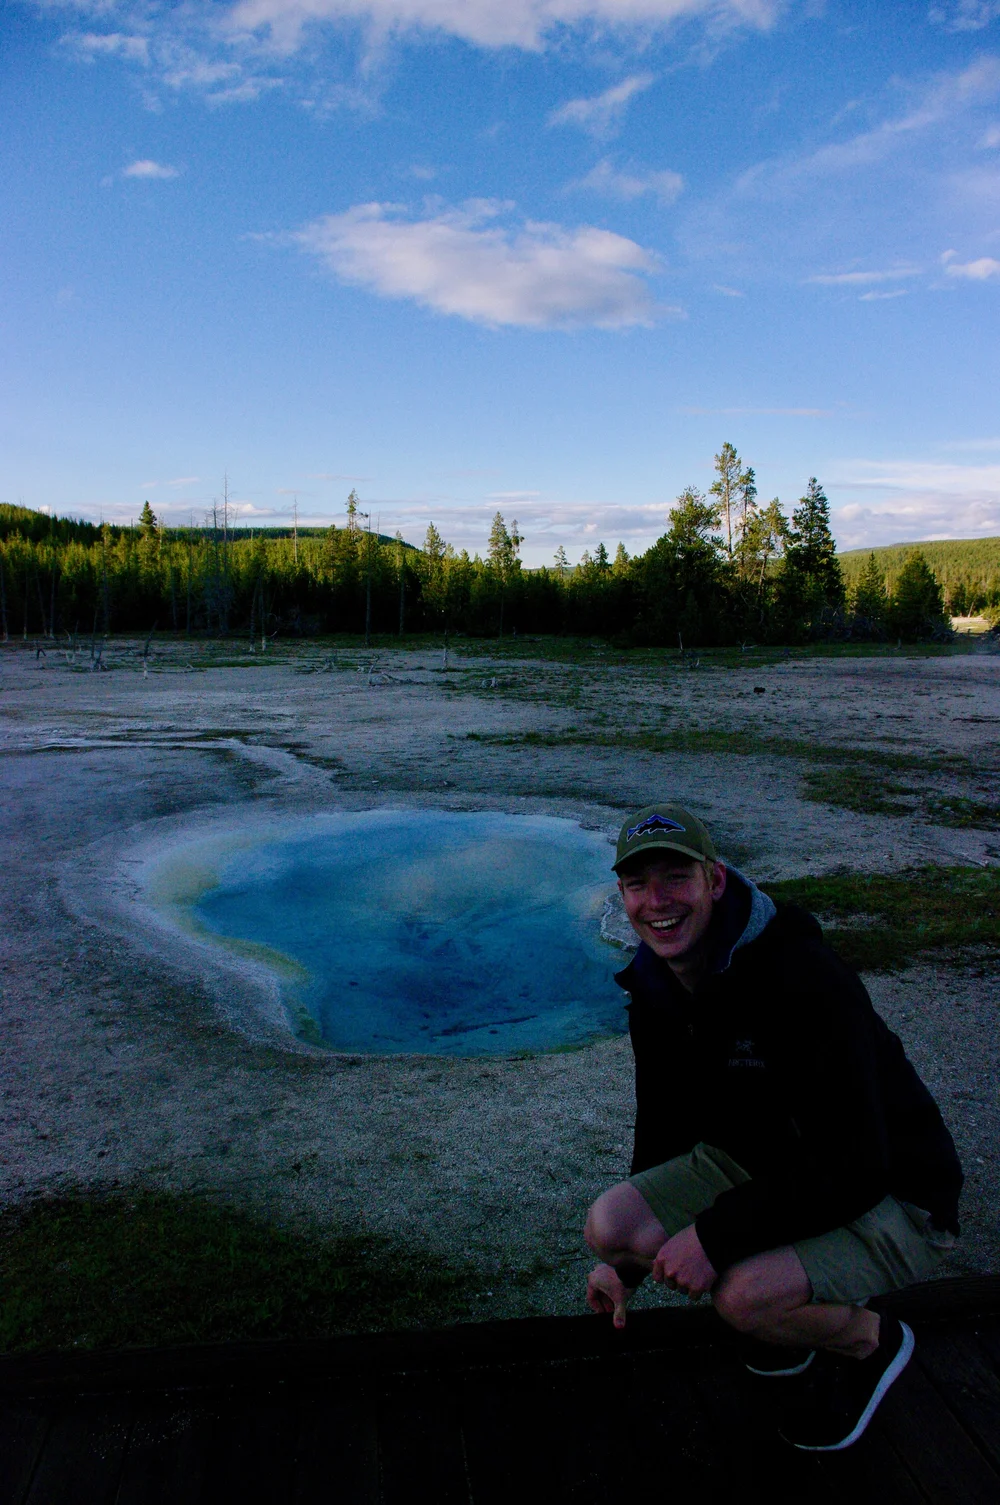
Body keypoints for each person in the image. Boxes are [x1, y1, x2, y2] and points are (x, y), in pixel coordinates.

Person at [584, 802, 962, 1451]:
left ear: (717, 880)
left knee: (740, 1293)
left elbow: (861, 1160)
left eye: (676, 876)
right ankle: (782, 1326)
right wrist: (628, 1268)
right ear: (622, 893)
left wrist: (716, 1233)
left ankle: (871, 1340)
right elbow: (666, 1125)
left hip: (897, 1190)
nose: (657, 901)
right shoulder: (653, 985)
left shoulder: (801, 976)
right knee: (610, 1227)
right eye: (639, 883)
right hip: (775, 1167)